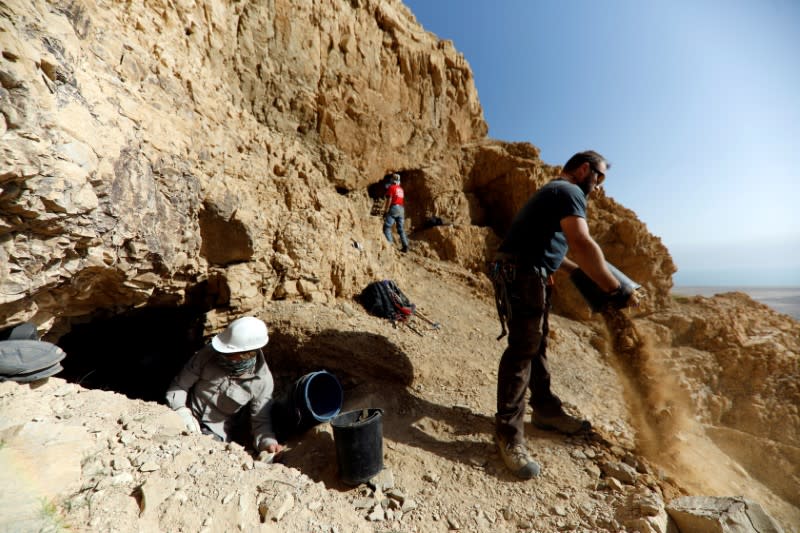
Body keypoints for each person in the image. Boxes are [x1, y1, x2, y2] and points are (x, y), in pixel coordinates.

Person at [490, 150, 637, 479]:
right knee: (522, 350)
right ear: (584, 169)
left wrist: (577, 274)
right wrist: (616, 290)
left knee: (535, 344)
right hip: (523, 274)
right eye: (599, 177)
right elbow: (581, 243)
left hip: (528, 272)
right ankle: (508, 436)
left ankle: (545, 409)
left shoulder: (553, 192)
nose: (599, 187)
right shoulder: (569, 191)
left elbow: (548, 247)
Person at [166, 316, 283, 454]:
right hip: (184, 414)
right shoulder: (209, 353)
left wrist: (268, 444)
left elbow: (261, 423)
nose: (221, 354)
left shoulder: (262, 382)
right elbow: (179, 385)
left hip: (214, 434)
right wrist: (181, 410)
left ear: (247, 354)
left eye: (229, 353)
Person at [382, 173, 410, 253]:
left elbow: (389, 200)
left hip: (394, 207)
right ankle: (405, 245)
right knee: (401, 229)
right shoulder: (401, 189)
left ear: (392, 180)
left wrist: (386, 211)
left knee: (387, 227)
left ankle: (390, 245)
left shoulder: (391, 187)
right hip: (401, 209)